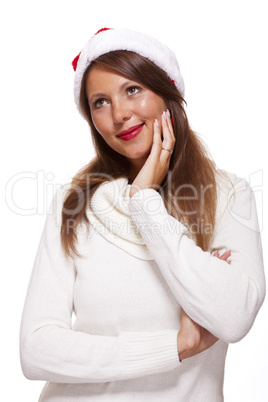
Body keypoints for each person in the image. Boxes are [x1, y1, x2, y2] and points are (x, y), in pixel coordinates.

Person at [20, 28, 266, 401]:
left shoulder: (227, 195)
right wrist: (174, 347)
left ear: (166, 92)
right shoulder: (74, 203)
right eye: (100, 102)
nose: (119, 114)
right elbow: (36, 350)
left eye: (132, 89)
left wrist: (145, 202)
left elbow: (233, 316)